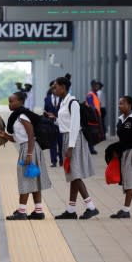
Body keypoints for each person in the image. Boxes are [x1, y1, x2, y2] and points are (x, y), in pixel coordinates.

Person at [52, 75, 100, 219]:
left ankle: (91, 207)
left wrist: (71, 146)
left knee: (75, 174)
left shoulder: (72, 103)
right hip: (67, 137)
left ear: (63, 87)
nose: (54, 89)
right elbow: (66, 124)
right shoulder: (63, 102)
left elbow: (74, 126)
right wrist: (53, 119)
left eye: (56, 86)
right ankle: (71, 210)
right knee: (73, 175)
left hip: (74, 139)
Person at [0, 92, 51, 220]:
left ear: (21, 102)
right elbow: (18, 139)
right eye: (9, 101)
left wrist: (29, 154)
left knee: (25, 179)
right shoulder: (16, 117)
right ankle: (38, 211)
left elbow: (31, 136)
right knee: (33, 179)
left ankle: (22, 211)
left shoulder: (22, 116)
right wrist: (5, 136)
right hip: (26, 148)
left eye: (12, 101)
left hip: (29, 149)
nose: (10, 104)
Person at [43, 81, 63, 167]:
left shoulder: (63, 99)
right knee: (52, 143)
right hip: (51, 125)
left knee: (61, 143)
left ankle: (62, 160)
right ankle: (53, 161)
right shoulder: (47, 99)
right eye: (53, 88)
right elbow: (45, 110)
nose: (54, 90)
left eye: (56, 88)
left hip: (61, 124)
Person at [86, 80, 102, 154]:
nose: (98, 87)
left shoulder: (95, 94)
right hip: (92, 117)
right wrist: (94, 115)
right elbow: (91, 106)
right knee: (92, 133)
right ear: (93, 86)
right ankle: (90, 148)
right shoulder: (90, 94)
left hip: (96, 115)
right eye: (96, 85)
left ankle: (91, 148)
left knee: (95, 133)